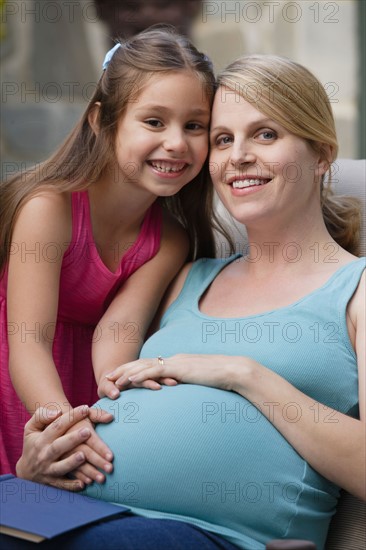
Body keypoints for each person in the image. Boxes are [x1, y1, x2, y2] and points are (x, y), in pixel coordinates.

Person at [9, 54, 365, 550]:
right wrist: (40, 466)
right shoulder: (186, 276)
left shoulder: (356, 291)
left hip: (193, 533)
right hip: (71, 509)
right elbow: (106, 380)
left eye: (265, 134)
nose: (238, 155)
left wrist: (245, 374)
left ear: (322, 153)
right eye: (222, 139)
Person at [0, 26, 223, 481]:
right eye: (154, 122)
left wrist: (118, 384)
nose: (177, 142)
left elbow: (117, 331)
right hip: (24, 380)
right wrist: (64, 424)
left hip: (82, 390)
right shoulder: (50, 209)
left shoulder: (170, 239)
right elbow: (28, 341)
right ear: (102, 121)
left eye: (194, 125)